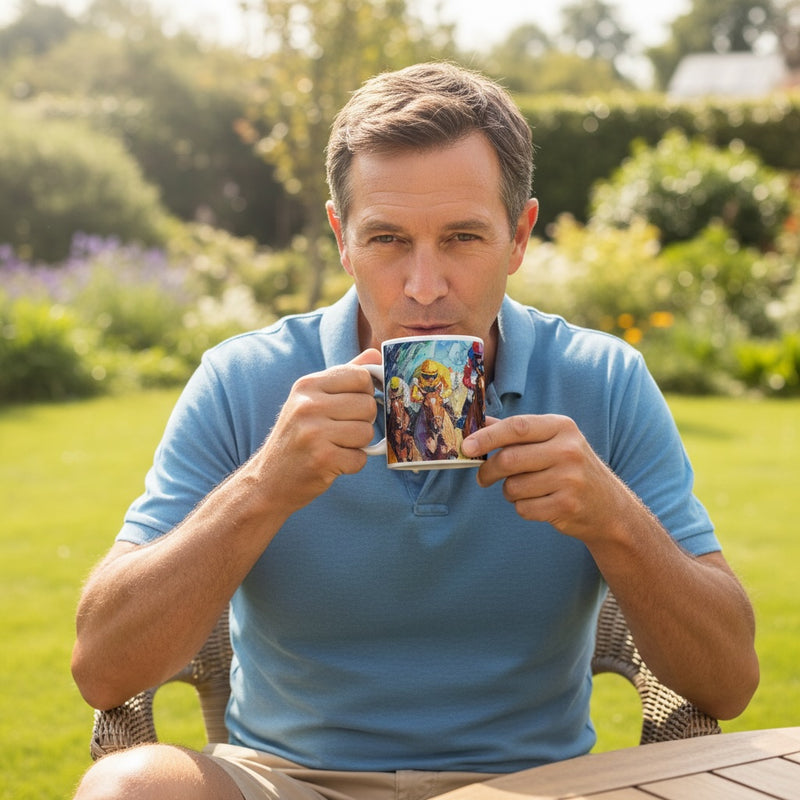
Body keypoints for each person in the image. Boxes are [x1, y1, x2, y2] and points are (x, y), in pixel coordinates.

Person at [71, 62, 759, 800]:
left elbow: (726, 684)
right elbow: (104, 668)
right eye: (389, 239)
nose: (424, 287)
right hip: (290, 781)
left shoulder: (603, 380)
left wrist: (613, 517)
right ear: (343, 239)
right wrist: (264, 488)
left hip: (533, 786)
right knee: (131, 786)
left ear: (519, 236)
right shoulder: (243, 380)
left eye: (462, 237)